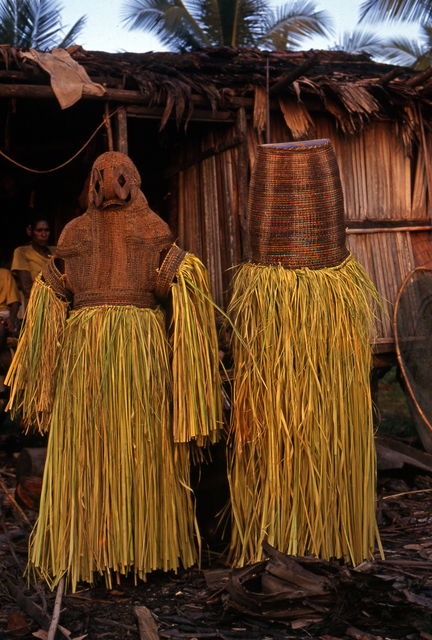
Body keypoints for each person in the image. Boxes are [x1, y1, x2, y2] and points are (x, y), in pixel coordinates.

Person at [6, 152, 222, 592]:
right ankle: (130, 550)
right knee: (128, 444)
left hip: (96, 351)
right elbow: (180, 280)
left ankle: (103, 549)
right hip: (130, 351)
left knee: (113, 445)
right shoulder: (145, 228)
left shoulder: (84, 232)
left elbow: (51, 294)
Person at [11, 216, 56, 302]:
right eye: (39, 230)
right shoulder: (22, 252)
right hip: (36, 304)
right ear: (29, 231)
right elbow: (27, 290)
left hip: (59, 306)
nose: (44, 234)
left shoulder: (56, 251)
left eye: (47, 230)